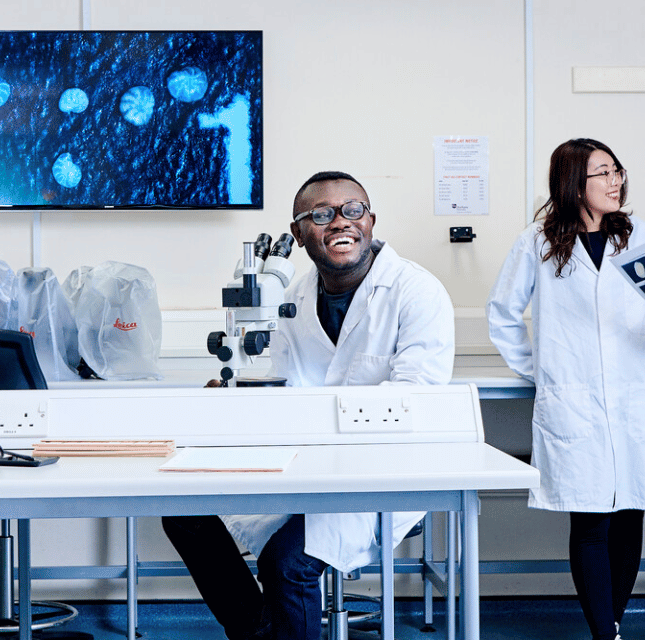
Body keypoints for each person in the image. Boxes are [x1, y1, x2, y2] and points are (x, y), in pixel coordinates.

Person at [162, 170, 455, 640]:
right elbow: (288, 391)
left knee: (287, 562)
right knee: (184, 514)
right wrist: (236, 401)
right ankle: (260, 631)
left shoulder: (416, 292)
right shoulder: (293, 298)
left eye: (353, 210)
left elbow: (413, 405)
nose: (340, 222)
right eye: (321, 215)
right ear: (297, 234)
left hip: (381, 474)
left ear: (371, 220)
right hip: (307, 467)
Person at [486, 138, 645, 640]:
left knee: (629, 516)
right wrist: (544, 371)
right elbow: (502, 314)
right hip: (573, 402)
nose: (614, 181)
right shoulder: (537, 243)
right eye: (603, 173)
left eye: (616, 170)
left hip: (638, 400)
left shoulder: (644, 240)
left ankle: (613, 625)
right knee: (590, 522)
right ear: (573, 183)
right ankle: (605, 633)